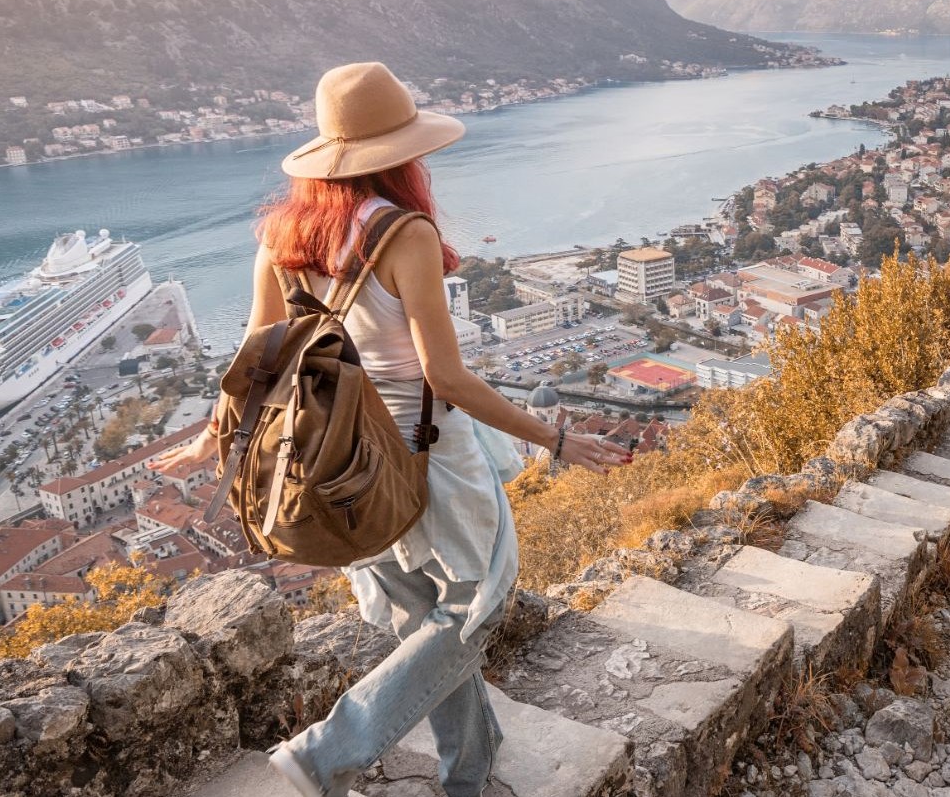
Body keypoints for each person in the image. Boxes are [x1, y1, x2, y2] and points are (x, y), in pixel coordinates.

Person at [149, 62, 631, 797]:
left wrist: (215, 435)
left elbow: (256, 357)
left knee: (423, 624)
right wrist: (557, 439)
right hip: (425, 456)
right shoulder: (405, 234)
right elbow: (448, 378)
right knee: (478, 604)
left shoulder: (281, 238)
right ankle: (326, 752)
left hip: (330, 464)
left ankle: (467, 771)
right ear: (402, 154)